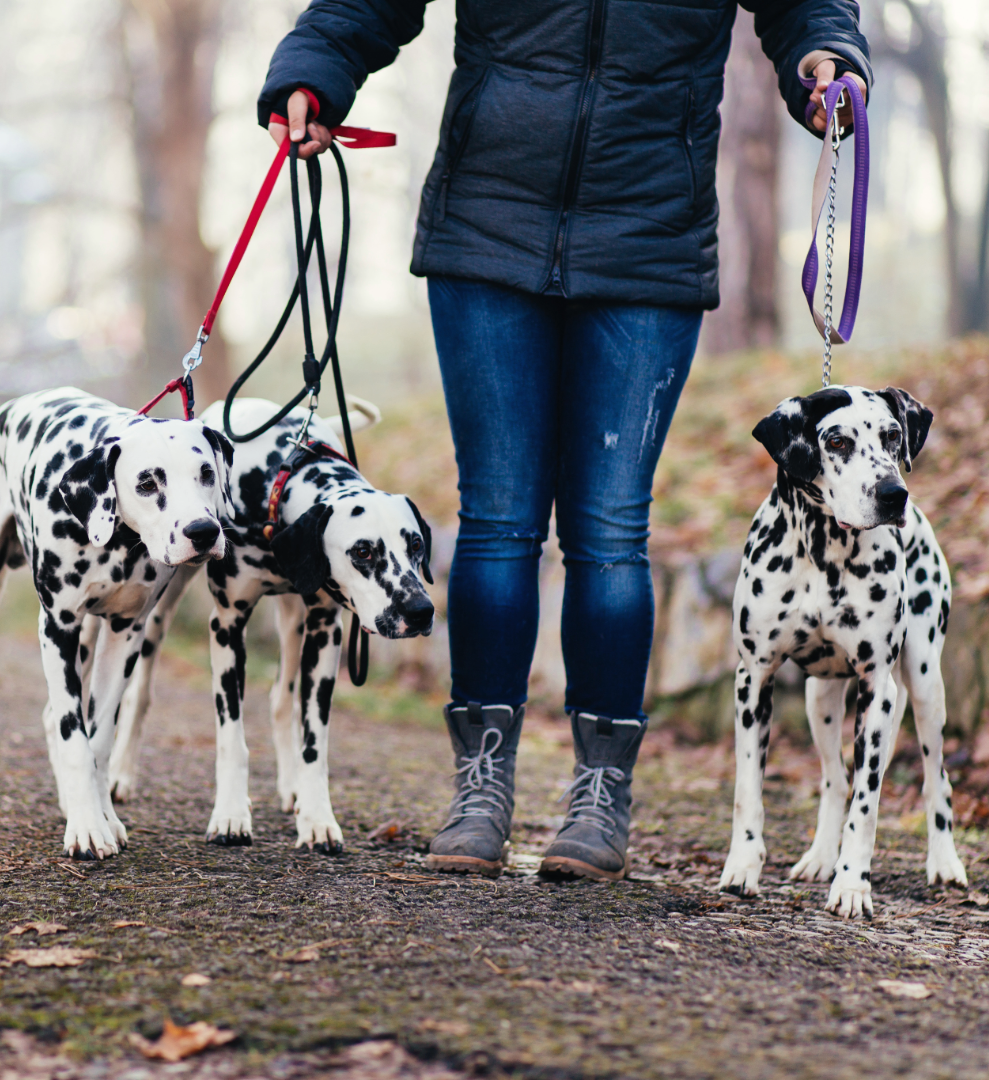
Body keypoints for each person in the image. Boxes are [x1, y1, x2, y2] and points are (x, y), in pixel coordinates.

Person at [258, 1, 870, 882]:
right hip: (487, 228)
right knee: (499, 518)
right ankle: (481, 786)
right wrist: (312, 71)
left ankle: (599, 794)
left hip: (648, 241)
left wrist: (824, 57)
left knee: (610, 529)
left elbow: (806, 6)